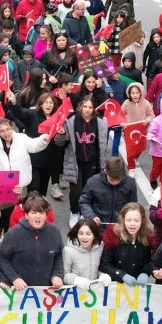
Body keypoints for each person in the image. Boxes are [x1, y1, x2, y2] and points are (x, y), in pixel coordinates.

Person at [0, 194, 63, 324]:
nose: (38, 217)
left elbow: (59, 255)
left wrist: (57, 274)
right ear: (25, 215)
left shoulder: (54, 232)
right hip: (21, 295)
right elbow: (2, 258)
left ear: (47, 214)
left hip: (44, 295)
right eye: (33, 213)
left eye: (42, 213)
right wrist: (14, 278)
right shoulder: (14, 234)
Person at [99, 202, 153, 324]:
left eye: (136, 220)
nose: (132, 223)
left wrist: (146, 272)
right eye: (129, 219)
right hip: (116, 289)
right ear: (122, 220)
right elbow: (104, 264)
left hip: (135, 291)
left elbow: (149, 261)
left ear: (142, 221)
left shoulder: (146, 238)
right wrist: (122, 275)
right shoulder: (113, 238)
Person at [63, 218, 110, 324]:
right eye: (81, 233)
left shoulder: (101, 247)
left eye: (88, 233)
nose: (84, 237)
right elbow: (64, 274)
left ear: (94, 235)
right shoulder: (69, 251)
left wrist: (102, 275)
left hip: (94, 296)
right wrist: (76, 280)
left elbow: (101, 266)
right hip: (76, 296)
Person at [55, 96, 108, 228]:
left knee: (89, 189)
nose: (87, 110)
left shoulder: (100, 122)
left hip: (92, 162)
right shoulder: (71, 121)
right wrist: (61, 134)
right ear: (80, 107)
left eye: (90, 107)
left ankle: (86, 213)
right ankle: (74, 212)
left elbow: (103, 144)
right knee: (76, 191)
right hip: (75, 162)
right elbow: (59, 143)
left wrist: (104, 164)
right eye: (85, 106)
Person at [0, 119, 50, 194]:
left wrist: (42, 139)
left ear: (12, 128)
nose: (6, 133)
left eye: (8, 129)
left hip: (22, 185)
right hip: (3, 187)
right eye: (2, 131)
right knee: (7, 205)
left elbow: (34, 144)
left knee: (22, 204)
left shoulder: (22, 139)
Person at [80, 157, 138, 232]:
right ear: (105, 171)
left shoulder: (130, 183)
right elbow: (84, 201)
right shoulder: (93, 182)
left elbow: (132, 206)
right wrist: (91, 216)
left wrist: (126, 220)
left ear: (122, 174)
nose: (114, 182)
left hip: (121, 227)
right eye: (111, 179)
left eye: (118, 179)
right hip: (98, 226)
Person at [121, 82, 154, 174]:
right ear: (129, 94)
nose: (135, 95)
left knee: (140, 148)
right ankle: (131, 168)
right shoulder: (126, 103)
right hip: (129, 130)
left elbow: (151, 115)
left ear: (140, 93)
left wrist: (147, 120)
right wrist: (123, 123)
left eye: (137, 93)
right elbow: (120, 115)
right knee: (130, 150)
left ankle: (135, 157)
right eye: (133, 93)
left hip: (142, 130)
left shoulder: (146, 103)